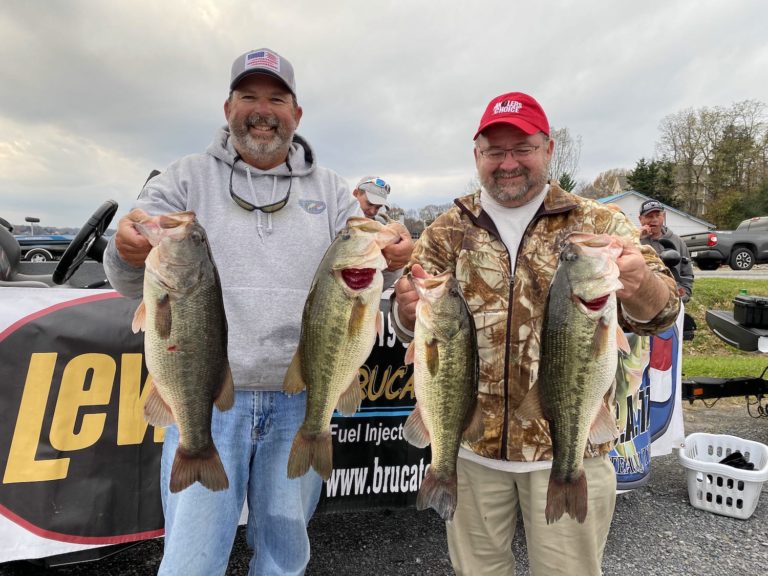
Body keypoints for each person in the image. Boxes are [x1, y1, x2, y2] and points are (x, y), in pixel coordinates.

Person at [104, 48, 411, 576]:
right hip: (204, 396)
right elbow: (129, 274)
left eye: (276, 98)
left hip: (300, 398)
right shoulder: (183, 180)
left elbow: (362, 277)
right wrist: (125, 249)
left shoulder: (334, 191)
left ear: (297, 114)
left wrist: (395, 259)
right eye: (249, 96)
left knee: (285, 554)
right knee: (191, 558)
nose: (262, 110)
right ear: (228, 108)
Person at [391, 91, 681, 576]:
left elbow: (663, 312)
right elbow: (412, 324)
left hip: (572, 450)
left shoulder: (599, 224)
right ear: (477, 155)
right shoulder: (446, 229)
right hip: (472, 451)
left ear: (549, 151)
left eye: (522, 148)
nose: (508, 163)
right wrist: (404, 312)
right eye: (495, 150)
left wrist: (639, 283)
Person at [638, 199, 694, 302]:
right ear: (641, 219)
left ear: (663, 216)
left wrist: (682, 297)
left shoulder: (678, 242)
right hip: (644, 302)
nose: (654, 220)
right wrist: (636, 236)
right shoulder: (634, 242)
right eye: (650, 216)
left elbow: (687, 276)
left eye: (658, 215)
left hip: (673, 301)